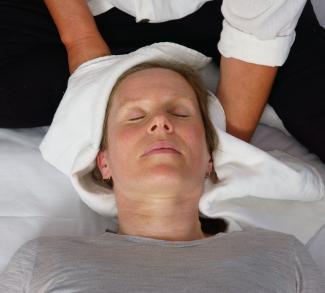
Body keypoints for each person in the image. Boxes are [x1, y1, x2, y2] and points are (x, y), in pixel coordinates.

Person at [0, 61, 324, 292]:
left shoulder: (279, 255)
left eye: (180, 113)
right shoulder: (42, 261)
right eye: (135, 116)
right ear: (104, 163)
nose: (159, 123)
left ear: (209, 158)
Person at [0, 0, 324, 162]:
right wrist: (83, 47)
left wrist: (223, 151)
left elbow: (257, 36)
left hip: (225, 13)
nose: (160, 124)